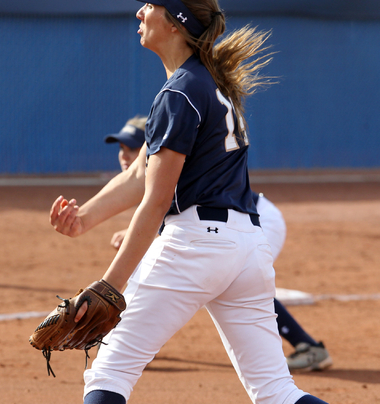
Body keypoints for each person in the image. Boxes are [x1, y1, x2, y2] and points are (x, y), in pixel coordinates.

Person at [49, 0, 350, 404]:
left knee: (110, 367)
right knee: (277, 394)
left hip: (197, 243)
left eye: (149, 4)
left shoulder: (180, 93)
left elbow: (155, 200)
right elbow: (142, 176)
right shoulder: (206, 83)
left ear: (174, 21)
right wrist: (85, 218)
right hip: (246, 247)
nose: (140, 11)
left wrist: (110, 285)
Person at [105, 117, 333, 372]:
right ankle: (133, 342)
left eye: (133, 148)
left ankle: (309, 347)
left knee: (237, 280)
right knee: (216, 277)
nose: (125, 155)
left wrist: (138, 234)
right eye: (121, 148)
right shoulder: (156, 169)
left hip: (257, 219)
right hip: (225, 225)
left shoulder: (170, 160)